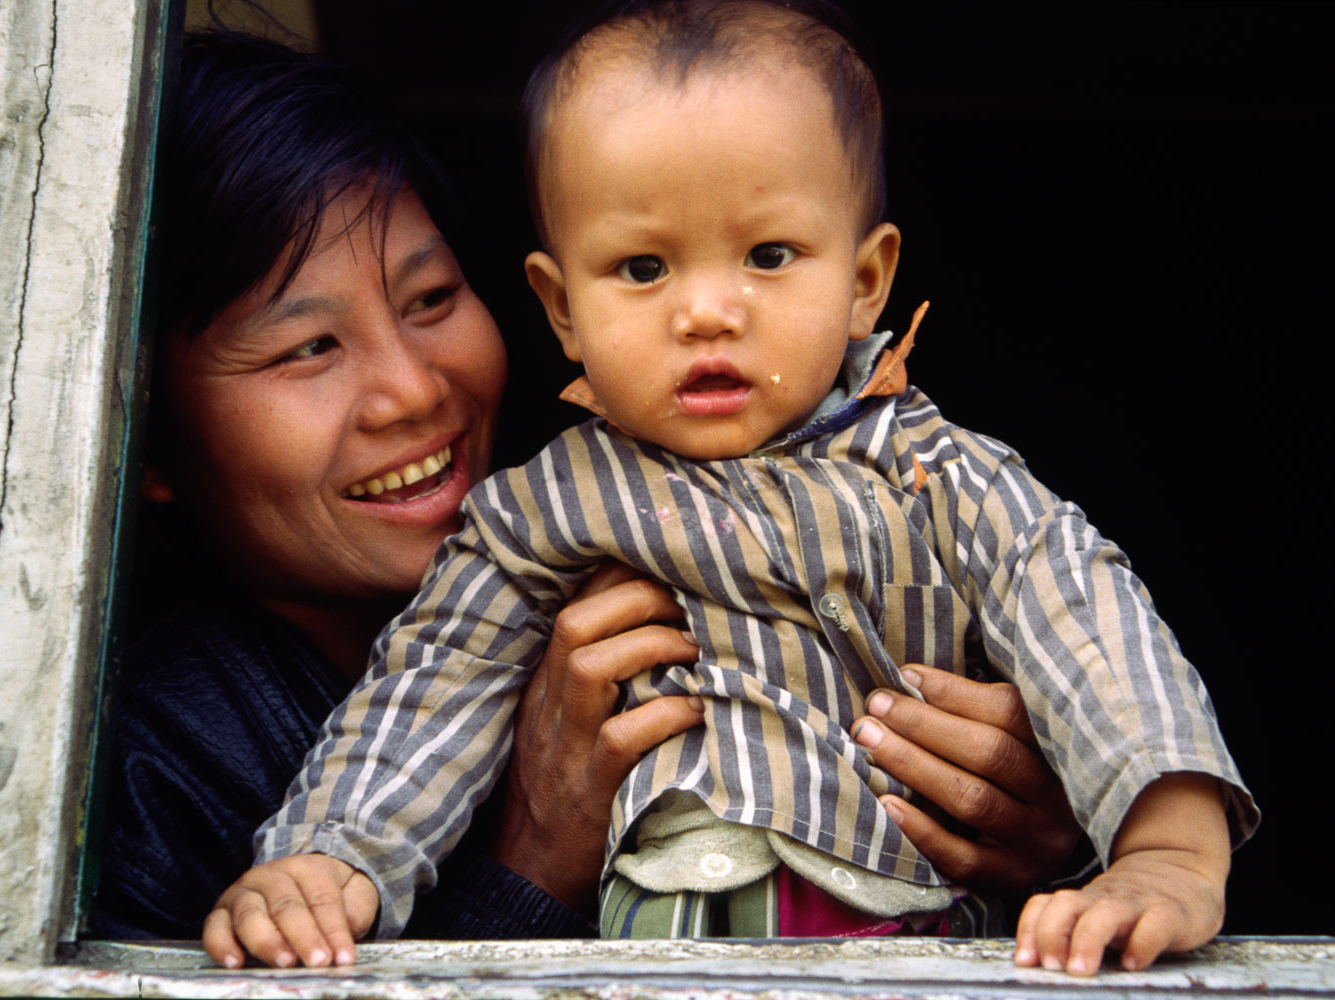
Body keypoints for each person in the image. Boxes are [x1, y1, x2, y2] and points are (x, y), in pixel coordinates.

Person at [208, 0, 1260, 977]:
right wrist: (330, 860)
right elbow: (437, 676)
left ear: (863, 282)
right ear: (561, 307)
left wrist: (1166, 843)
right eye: (642, 269)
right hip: (662, 941)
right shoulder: (544, 509)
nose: (707, 311)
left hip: (914, 931)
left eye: (767, 254)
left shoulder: (935, 469)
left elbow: (1079, 608)